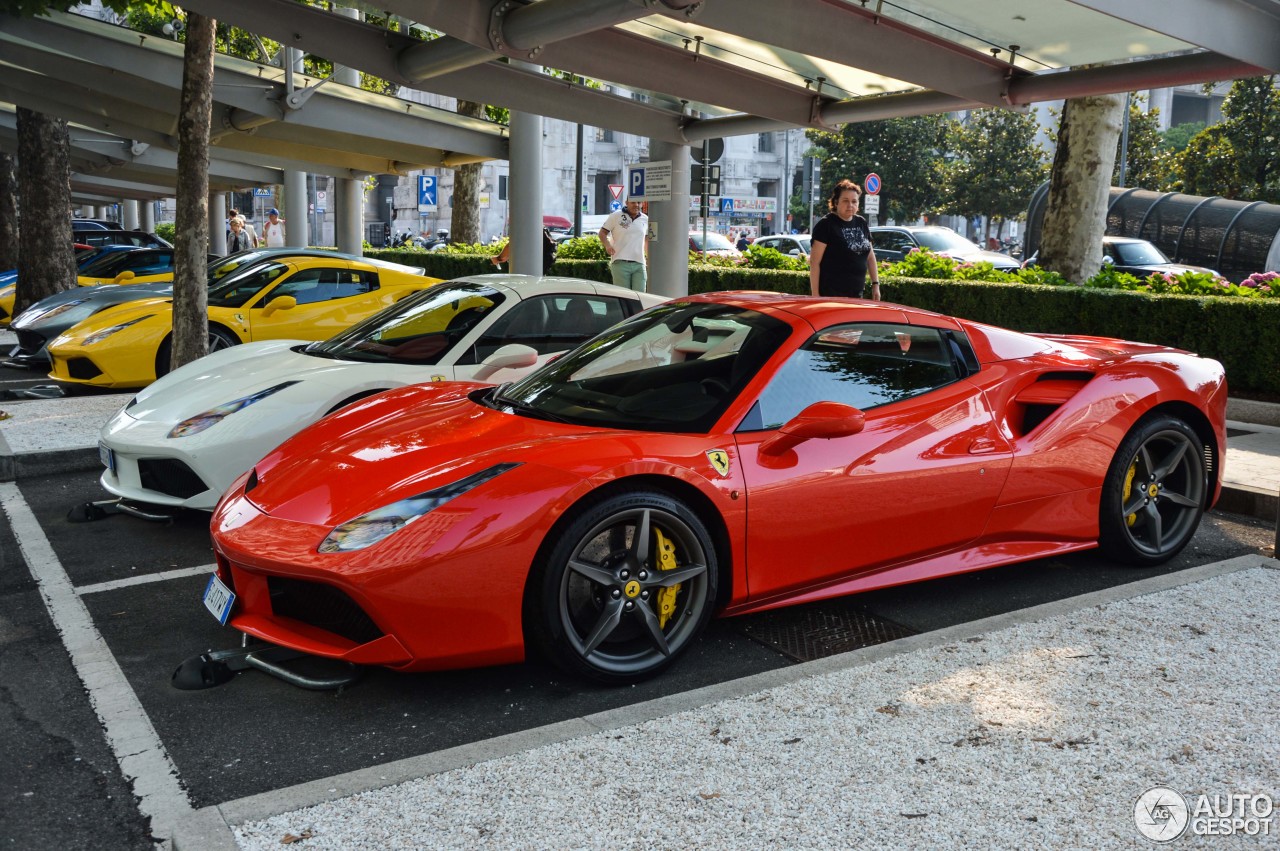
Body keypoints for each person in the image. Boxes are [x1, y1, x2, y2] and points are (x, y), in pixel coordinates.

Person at [809, 179, 879, 300]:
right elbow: (814, 263)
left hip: (857, 295)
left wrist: (875, 284)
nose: (850, 205)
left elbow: (870, 256)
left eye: (854, 201)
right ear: (836, 202)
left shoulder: (861, 222)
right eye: (845, 201)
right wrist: (815, 295)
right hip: (831, 295)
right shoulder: (826, 225)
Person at [598, 198, 648, 292]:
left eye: (639, 202)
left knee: (641, 296)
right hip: (620, 263)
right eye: (633, 202)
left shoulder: (645, 219)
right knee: (624, 296)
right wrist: (608, 245)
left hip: (639, 263)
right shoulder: (616, 216)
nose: (636, 205)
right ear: (626, 203)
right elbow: (602, 233)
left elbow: (646, 240)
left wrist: (649, 257)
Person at [490, 228, 558, 274]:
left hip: (526, 272)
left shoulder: (524, 228)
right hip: (541, 269)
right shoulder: (540, 229)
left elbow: (512, 245)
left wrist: (498, 258)